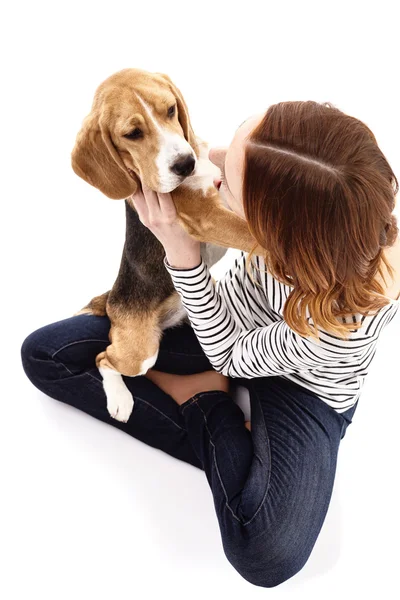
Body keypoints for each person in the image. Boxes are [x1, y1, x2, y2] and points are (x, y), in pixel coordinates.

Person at [21, 101, 400, 588]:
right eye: (239, 141)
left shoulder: (341, 319)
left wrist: (182, 256)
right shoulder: (314, 179)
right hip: (230, 318)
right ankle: (231, 441)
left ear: (275, 235)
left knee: (266, 555)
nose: (212, 161)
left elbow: (227, 354)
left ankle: (204, 401)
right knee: (45, 355)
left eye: (231, 179)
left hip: (304, 387)